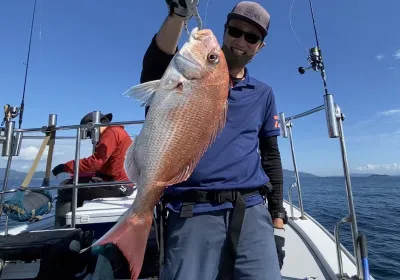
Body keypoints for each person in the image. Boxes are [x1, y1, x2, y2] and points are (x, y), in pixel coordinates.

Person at [141, 1, 287, 279]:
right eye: (235, 31)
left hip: (253, 211)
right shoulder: (187, 75)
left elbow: (271, 156)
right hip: (193, 210)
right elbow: (155, 66)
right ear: (225, 30)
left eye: (252, 37)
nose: (241, 41)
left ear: (260, 46)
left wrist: (277, 222)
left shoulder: (264, 93)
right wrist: (178, 15)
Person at [52, 112, 134, 228]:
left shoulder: (111, 133)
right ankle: (75, 225)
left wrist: (65, 167)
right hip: (122, 182)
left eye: (88, 132)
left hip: (119, 185)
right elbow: (105, 165)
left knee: (66, 188)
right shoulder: (117, 132)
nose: (90, 137)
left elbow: (96, 162)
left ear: (92, 126)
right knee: (76, 184)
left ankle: (61, 230)